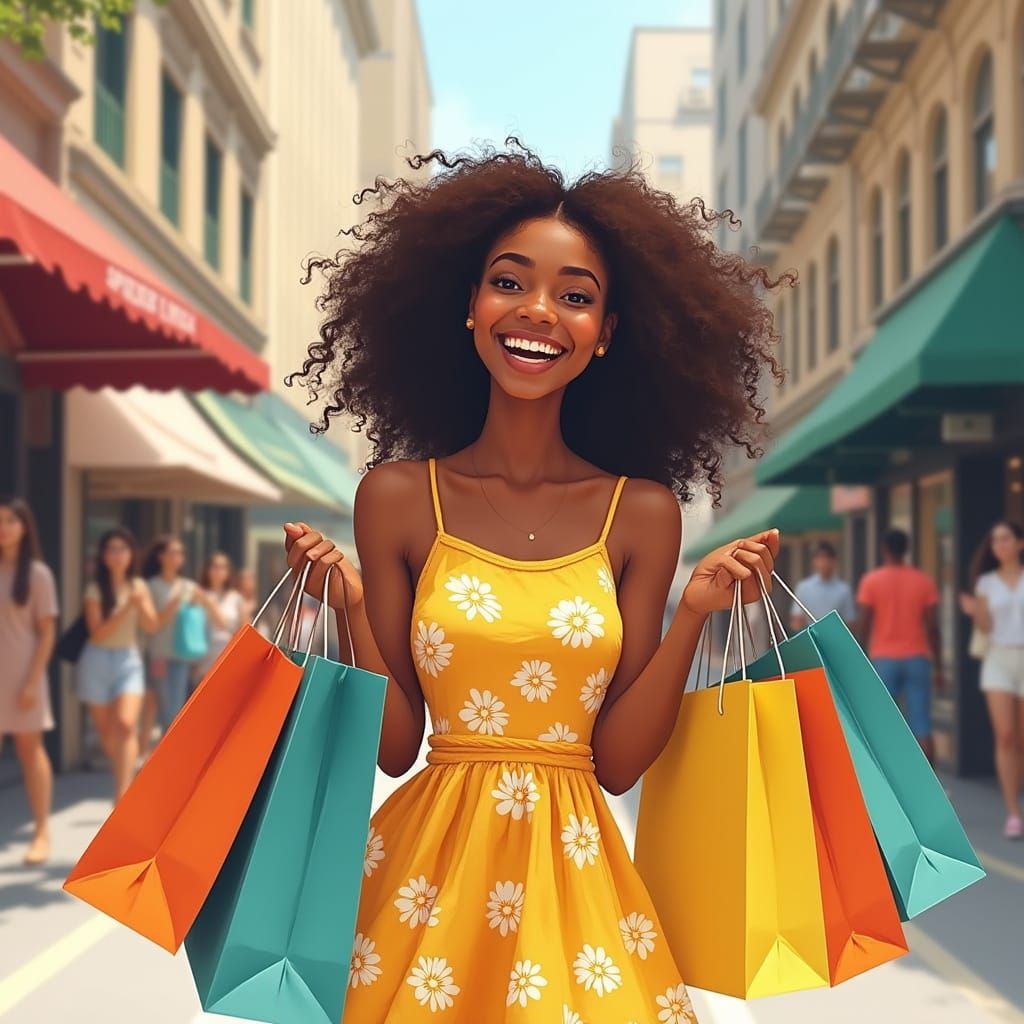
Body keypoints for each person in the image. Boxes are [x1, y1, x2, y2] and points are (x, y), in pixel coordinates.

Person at [281, 144, 781, 1021]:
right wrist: (354, 604)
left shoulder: (643, 514)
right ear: (469, 308)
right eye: (509, 283)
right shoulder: (398, 499)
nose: (538, 312)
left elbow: (618, 766)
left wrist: (696, 615)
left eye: (575, 296)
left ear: (606, 334)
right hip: (423, 884)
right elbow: (397, 748)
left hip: (577, 881)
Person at [78, 528, 158, 799]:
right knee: (107, 732)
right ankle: (124, 771)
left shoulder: (138, 586)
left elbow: (151, 625)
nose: (117, 555)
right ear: (103, 556)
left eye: (122, 549)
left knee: (125, 724)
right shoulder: (94, 589)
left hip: (128, 659)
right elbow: (97, 633)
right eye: (111, 549)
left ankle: (122, 794)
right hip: (97, 659)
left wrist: (141, 604)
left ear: (131, 554)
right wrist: (125, 608)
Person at [0, 497, 58, 865]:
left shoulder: (37, 575)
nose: (3, 527)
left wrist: (32, 680)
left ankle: (41, 832)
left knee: (28, 750)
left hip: (23, 677)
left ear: (24, 527)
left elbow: (47, 633)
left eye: (9, 520)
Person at [959, 521, 1024, 839]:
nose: (999, 544)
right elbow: (985, 628)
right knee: (1006, 735)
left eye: (1006, 539)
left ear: (1019, 543)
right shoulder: (986, 582)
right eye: (995, 539)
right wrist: (975, 612)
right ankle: (1013, 813)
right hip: (998, 659)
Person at [857, 528, 942, 763]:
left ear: (884, 549)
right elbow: (933, 628)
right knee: (921, 723)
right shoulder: (923, 581)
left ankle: (889, 781)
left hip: (883, 659)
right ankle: (932, 788)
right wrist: (939, 668)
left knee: (883, 723)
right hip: (917, 657)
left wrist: (858, 658)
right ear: (907, 550)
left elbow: (864, 624)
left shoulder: (871, 581)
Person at [139, 536, 211, 755]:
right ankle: (167, 755)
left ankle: (168, 754)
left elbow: (205, 618)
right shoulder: (151, 586)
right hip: (158, 656)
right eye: (172, 552)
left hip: (182, 655)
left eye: (180, 553)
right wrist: (171, 608)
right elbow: (150, 624)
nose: (177, 557)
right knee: (166, 709)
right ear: (161, 557)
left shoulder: (189, 587)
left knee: (176, 709)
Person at [790, 540, 856, 631]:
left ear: (834, 561)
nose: (823, 562)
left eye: (826, 558)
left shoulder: (843, 590)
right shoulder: (804, 588)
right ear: (814, 561)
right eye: (820, 558)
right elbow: (797, 619)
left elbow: (850, 622)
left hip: (834, 638)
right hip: (812, 638)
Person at [197, 551, 243, 678]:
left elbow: (245, 630)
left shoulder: (236, 598)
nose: (218, 571)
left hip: (228, 659)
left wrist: (210, 605)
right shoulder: (198, 595)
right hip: (202, 661)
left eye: (222, 567)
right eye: (214, 567)